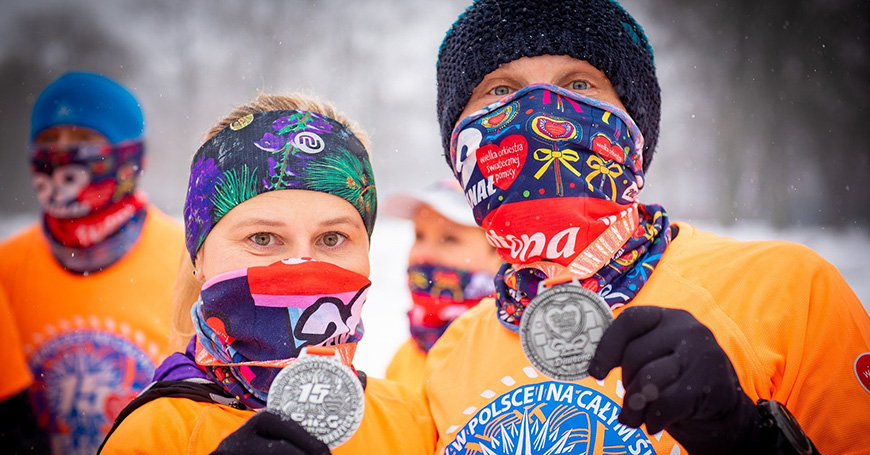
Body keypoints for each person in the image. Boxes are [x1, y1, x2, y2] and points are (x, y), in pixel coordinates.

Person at [423, 1, 870, 454]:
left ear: (636, 127)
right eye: (500, 90)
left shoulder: (789, 293)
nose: (541, 112)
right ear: (457, 147)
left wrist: (746, 439)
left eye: (579, 84)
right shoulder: (448, 354)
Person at [99, 93, 435, 455]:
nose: (304, 266)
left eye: (332, 238)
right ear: (200, 259)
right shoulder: (156, 436)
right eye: (263, 238)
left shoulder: (409, 422)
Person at [0, 72, 184, 455]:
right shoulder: (6, 265)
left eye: (84, 139)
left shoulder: (189, 258)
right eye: (49, 140)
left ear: (131, 157)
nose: (62, 155)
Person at [383, 178, 501, 391]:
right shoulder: (405, 359)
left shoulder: (520, 347)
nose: (422, 255)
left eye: (449, 239)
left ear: (498, 252)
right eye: (419, 236)